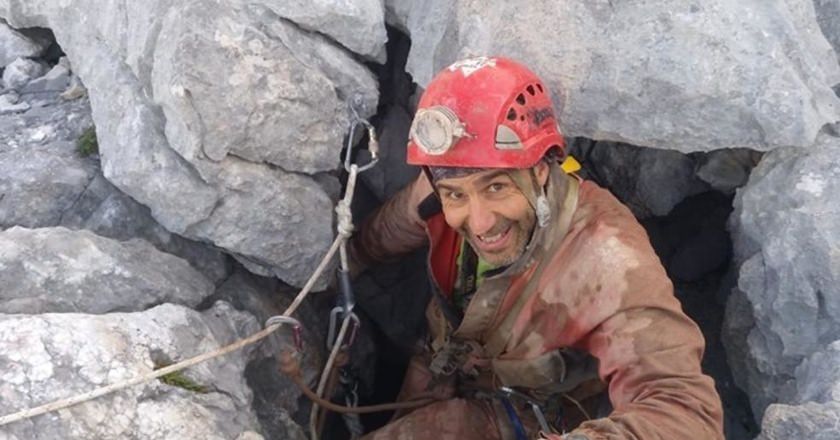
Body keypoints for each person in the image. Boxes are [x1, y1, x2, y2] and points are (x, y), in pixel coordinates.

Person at [349, 56, 724, 439]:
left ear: (541, 169)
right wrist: (349, 262)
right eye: (456, 195)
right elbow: (391, 228)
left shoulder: (605, 254)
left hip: (527, 411)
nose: (478, 222)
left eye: (497, 187)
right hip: (439, 361)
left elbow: (685, 410)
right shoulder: (447, 186)